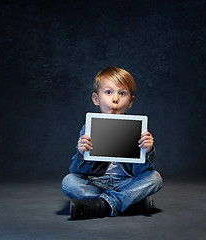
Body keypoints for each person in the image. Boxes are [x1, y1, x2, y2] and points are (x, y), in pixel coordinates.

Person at [61, 66, 163, 220]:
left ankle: (101, 205)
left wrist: (147, 151)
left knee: (155, 178)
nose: (115, 99)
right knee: (69, 181)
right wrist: (81, 154)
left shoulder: (139, 130)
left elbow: (139, 173)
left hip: (126, 182)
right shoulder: (88, 128)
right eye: (109, 92)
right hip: (96, 184)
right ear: (96, 99)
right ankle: (129, 202)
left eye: (122, 93)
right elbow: (77, 172)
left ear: (130, 101)